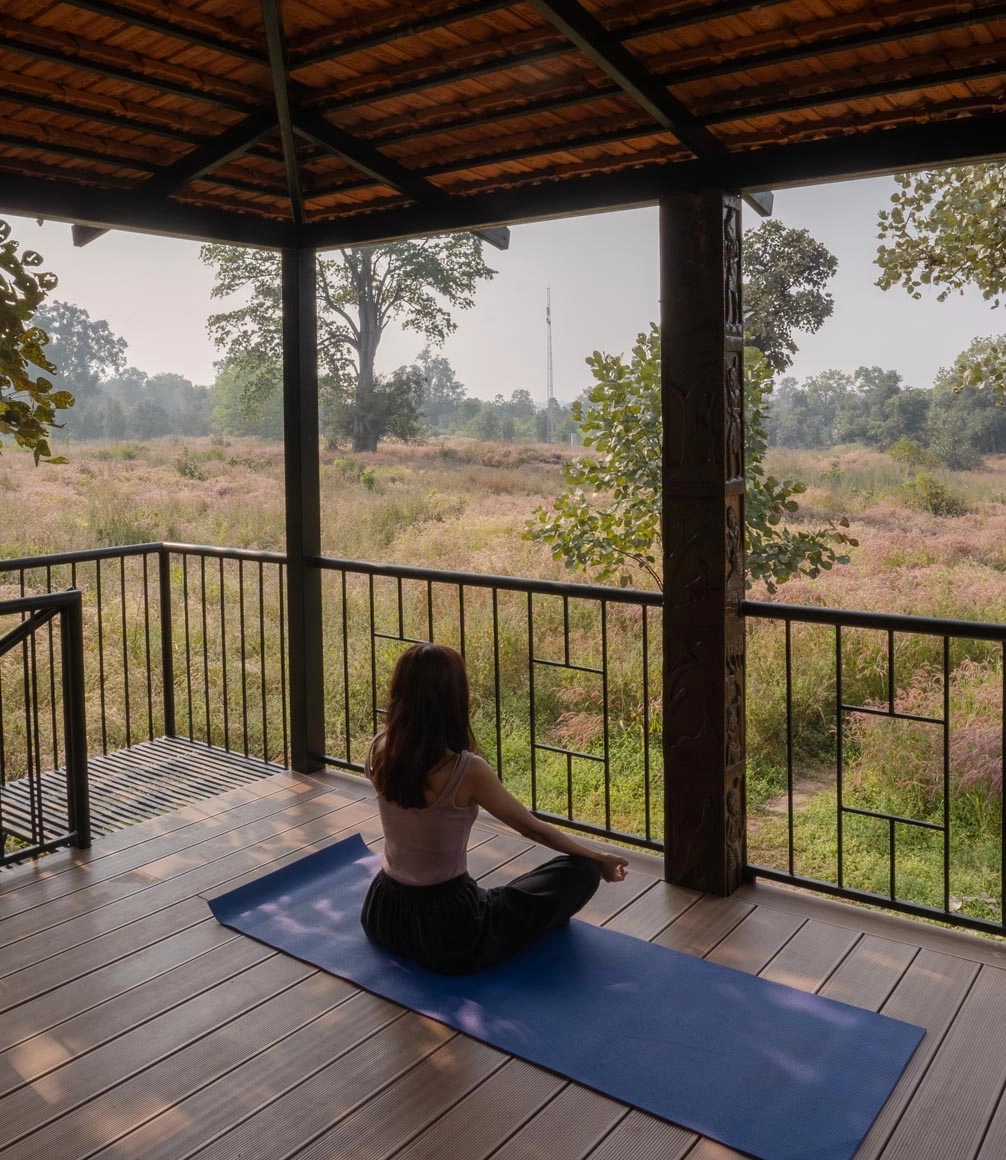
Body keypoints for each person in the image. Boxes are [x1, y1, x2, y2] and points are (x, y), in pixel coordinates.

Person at [360, 642, 629, 975]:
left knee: (502, 897)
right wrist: (597, 857)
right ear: (453, 698)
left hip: (383, 913)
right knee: (581, 873)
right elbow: (530, 827)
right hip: (449, 932)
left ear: (400, 693)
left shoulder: (379, 749)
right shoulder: (466, 770)